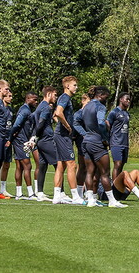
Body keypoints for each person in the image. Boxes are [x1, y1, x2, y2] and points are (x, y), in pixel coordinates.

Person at [80, 86, 126, 207]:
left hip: (86, 141)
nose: (106, 100)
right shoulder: (100, 106)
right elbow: (101, 122)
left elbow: (78, 121)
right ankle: (112, 201)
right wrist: (106, 138)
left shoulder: (86, 106)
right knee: (105, 173)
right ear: (100, 95)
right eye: (106, 97)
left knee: (89, 172)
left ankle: (91, 200)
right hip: (97, 142)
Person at [51, 76, 80, 205]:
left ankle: (57, 196)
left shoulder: (65, 98)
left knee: (61, 165)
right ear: (67, 86)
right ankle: (76, 196)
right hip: (63, 135)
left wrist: (60, 124)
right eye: (74, 85)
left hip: (60, 134)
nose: (76, 87)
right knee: (71, 164)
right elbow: (58, 112)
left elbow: (55, 115)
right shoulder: (65, 97)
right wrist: (67, 126)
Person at [9, 91, 39, 200]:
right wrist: (10, 138)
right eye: (34, 99)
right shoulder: (24, 110)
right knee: (28, 166)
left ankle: (19, 193)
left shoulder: (27, 110)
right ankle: (30, 193)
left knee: (20, 166)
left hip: (20, 140)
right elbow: (17, 124)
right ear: (28, 99)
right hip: (20, 141)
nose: (36, 102)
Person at [31, 86, 59, 201]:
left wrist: (35, 137)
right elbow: (41, 123)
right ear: (48, 94)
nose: (56, 97)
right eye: (55, 95)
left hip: (41, 140)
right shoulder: (46, 107)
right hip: (46, 139)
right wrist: (36, 136)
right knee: (58, 164)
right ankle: (59, 193)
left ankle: (40, 193)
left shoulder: (40, 106)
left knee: (42, 165)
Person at [71, 88, 93, 204]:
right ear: (83, 101)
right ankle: (80, 193)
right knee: (83, 168)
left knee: (89, 168)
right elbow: (75, 128)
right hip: (82, 143)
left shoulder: (90, 113)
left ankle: (88, 193)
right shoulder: (79, 113)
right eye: (87, 102)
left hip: (90, 142)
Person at [106, 93, 132, 181]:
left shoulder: (127, 113)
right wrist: (108, 139)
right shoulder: (114, 112)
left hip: (125, 143)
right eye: (126, 99)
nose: (128, 101)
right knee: (117, 164)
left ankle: (118, 185)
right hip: (116, 143)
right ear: (120, 99)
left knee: (121, 165)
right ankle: (114, 185)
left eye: (129, 99)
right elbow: (108, 125)